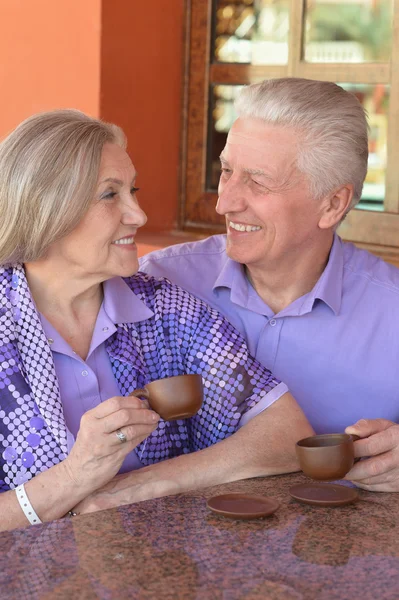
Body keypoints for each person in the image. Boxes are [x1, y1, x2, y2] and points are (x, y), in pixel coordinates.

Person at [0, 109, 312, 530]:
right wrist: (74, 478)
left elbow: (286, 431)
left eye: (133, 190)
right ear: (46, 209)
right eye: (111, 195)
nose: (138, 215)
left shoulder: (167, 310)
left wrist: (146, 485)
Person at [140, 77, 399, 493]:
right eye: (226, 171)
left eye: (257, 182)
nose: (225, 202)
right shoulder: (155, 284)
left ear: (332, 204)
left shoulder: (393, 311)